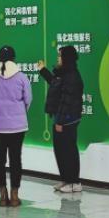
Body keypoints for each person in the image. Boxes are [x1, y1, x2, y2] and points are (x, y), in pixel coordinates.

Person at [0, 45, 32, 207]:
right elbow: (28, 99)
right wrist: (19, 113)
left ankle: (3, 196)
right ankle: (15, 196)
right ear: (14, 58)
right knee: (15, 159)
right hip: (17, 126)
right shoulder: (21, 77)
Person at [38, 44, 84, 193]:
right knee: (60, 151)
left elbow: (66, 101)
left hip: (67, 120)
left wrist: (60, 122)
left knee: (68, 151)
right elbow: (55, 83)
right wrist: (43, 71)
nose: (58, 58)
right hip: (61, 118)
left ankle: (74, 182)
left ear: (66, 58)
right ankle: (65, 179)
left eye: (60, 56)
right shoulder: (63, 73)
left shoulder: (71, 76)